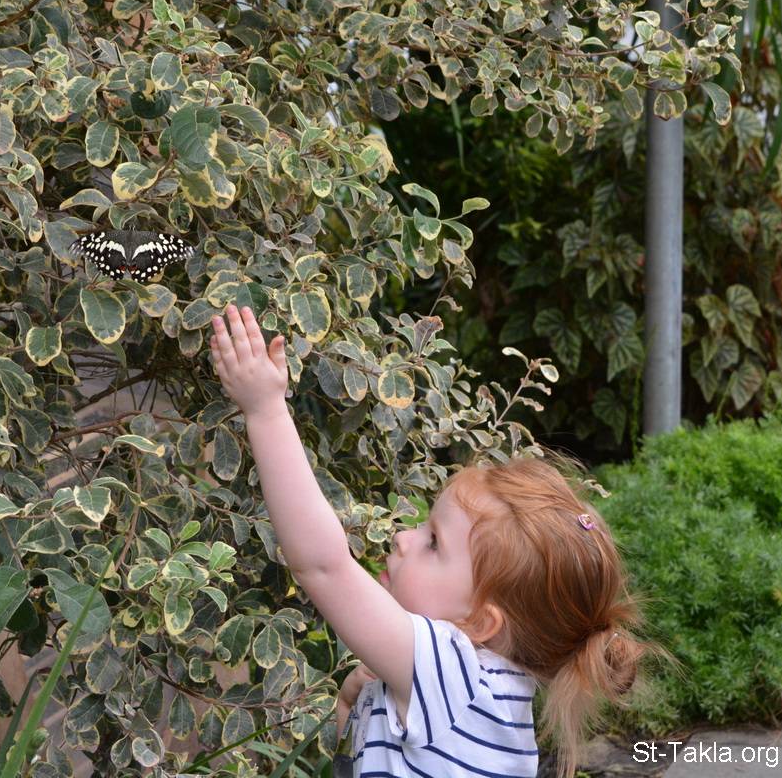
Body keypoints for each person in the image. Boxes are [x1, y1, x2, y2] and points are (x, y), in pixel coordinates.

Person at [208, 303, 667, 778]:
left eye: (433, 543)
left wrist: (265, 411)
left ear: (480, 622)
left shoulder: (452, 675)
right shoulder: (491, 698)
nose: (402, 538)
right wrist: (353, 704)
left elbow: (324, 566)